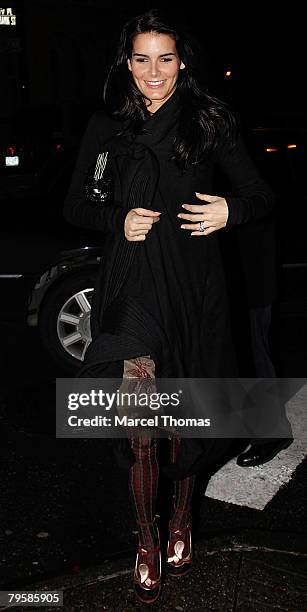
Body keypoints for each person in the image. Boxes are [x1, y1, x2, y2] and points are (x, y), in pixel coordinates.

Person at [63, 10, 275, 605]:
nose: (153, 71)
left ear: (182, 63)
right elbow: (76, 205)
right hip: (133, 291)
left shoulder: (210, 122)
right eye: (141, 58)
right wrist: (116, 220)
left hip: (196, 290)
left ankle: (182, 517)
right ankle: (146, 538)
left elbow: (261, 194)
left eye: (165, 58)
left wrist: (229, 212)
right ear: (126, 64)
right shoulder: (107, 128)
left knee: (188, 421)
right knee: (141, 428)